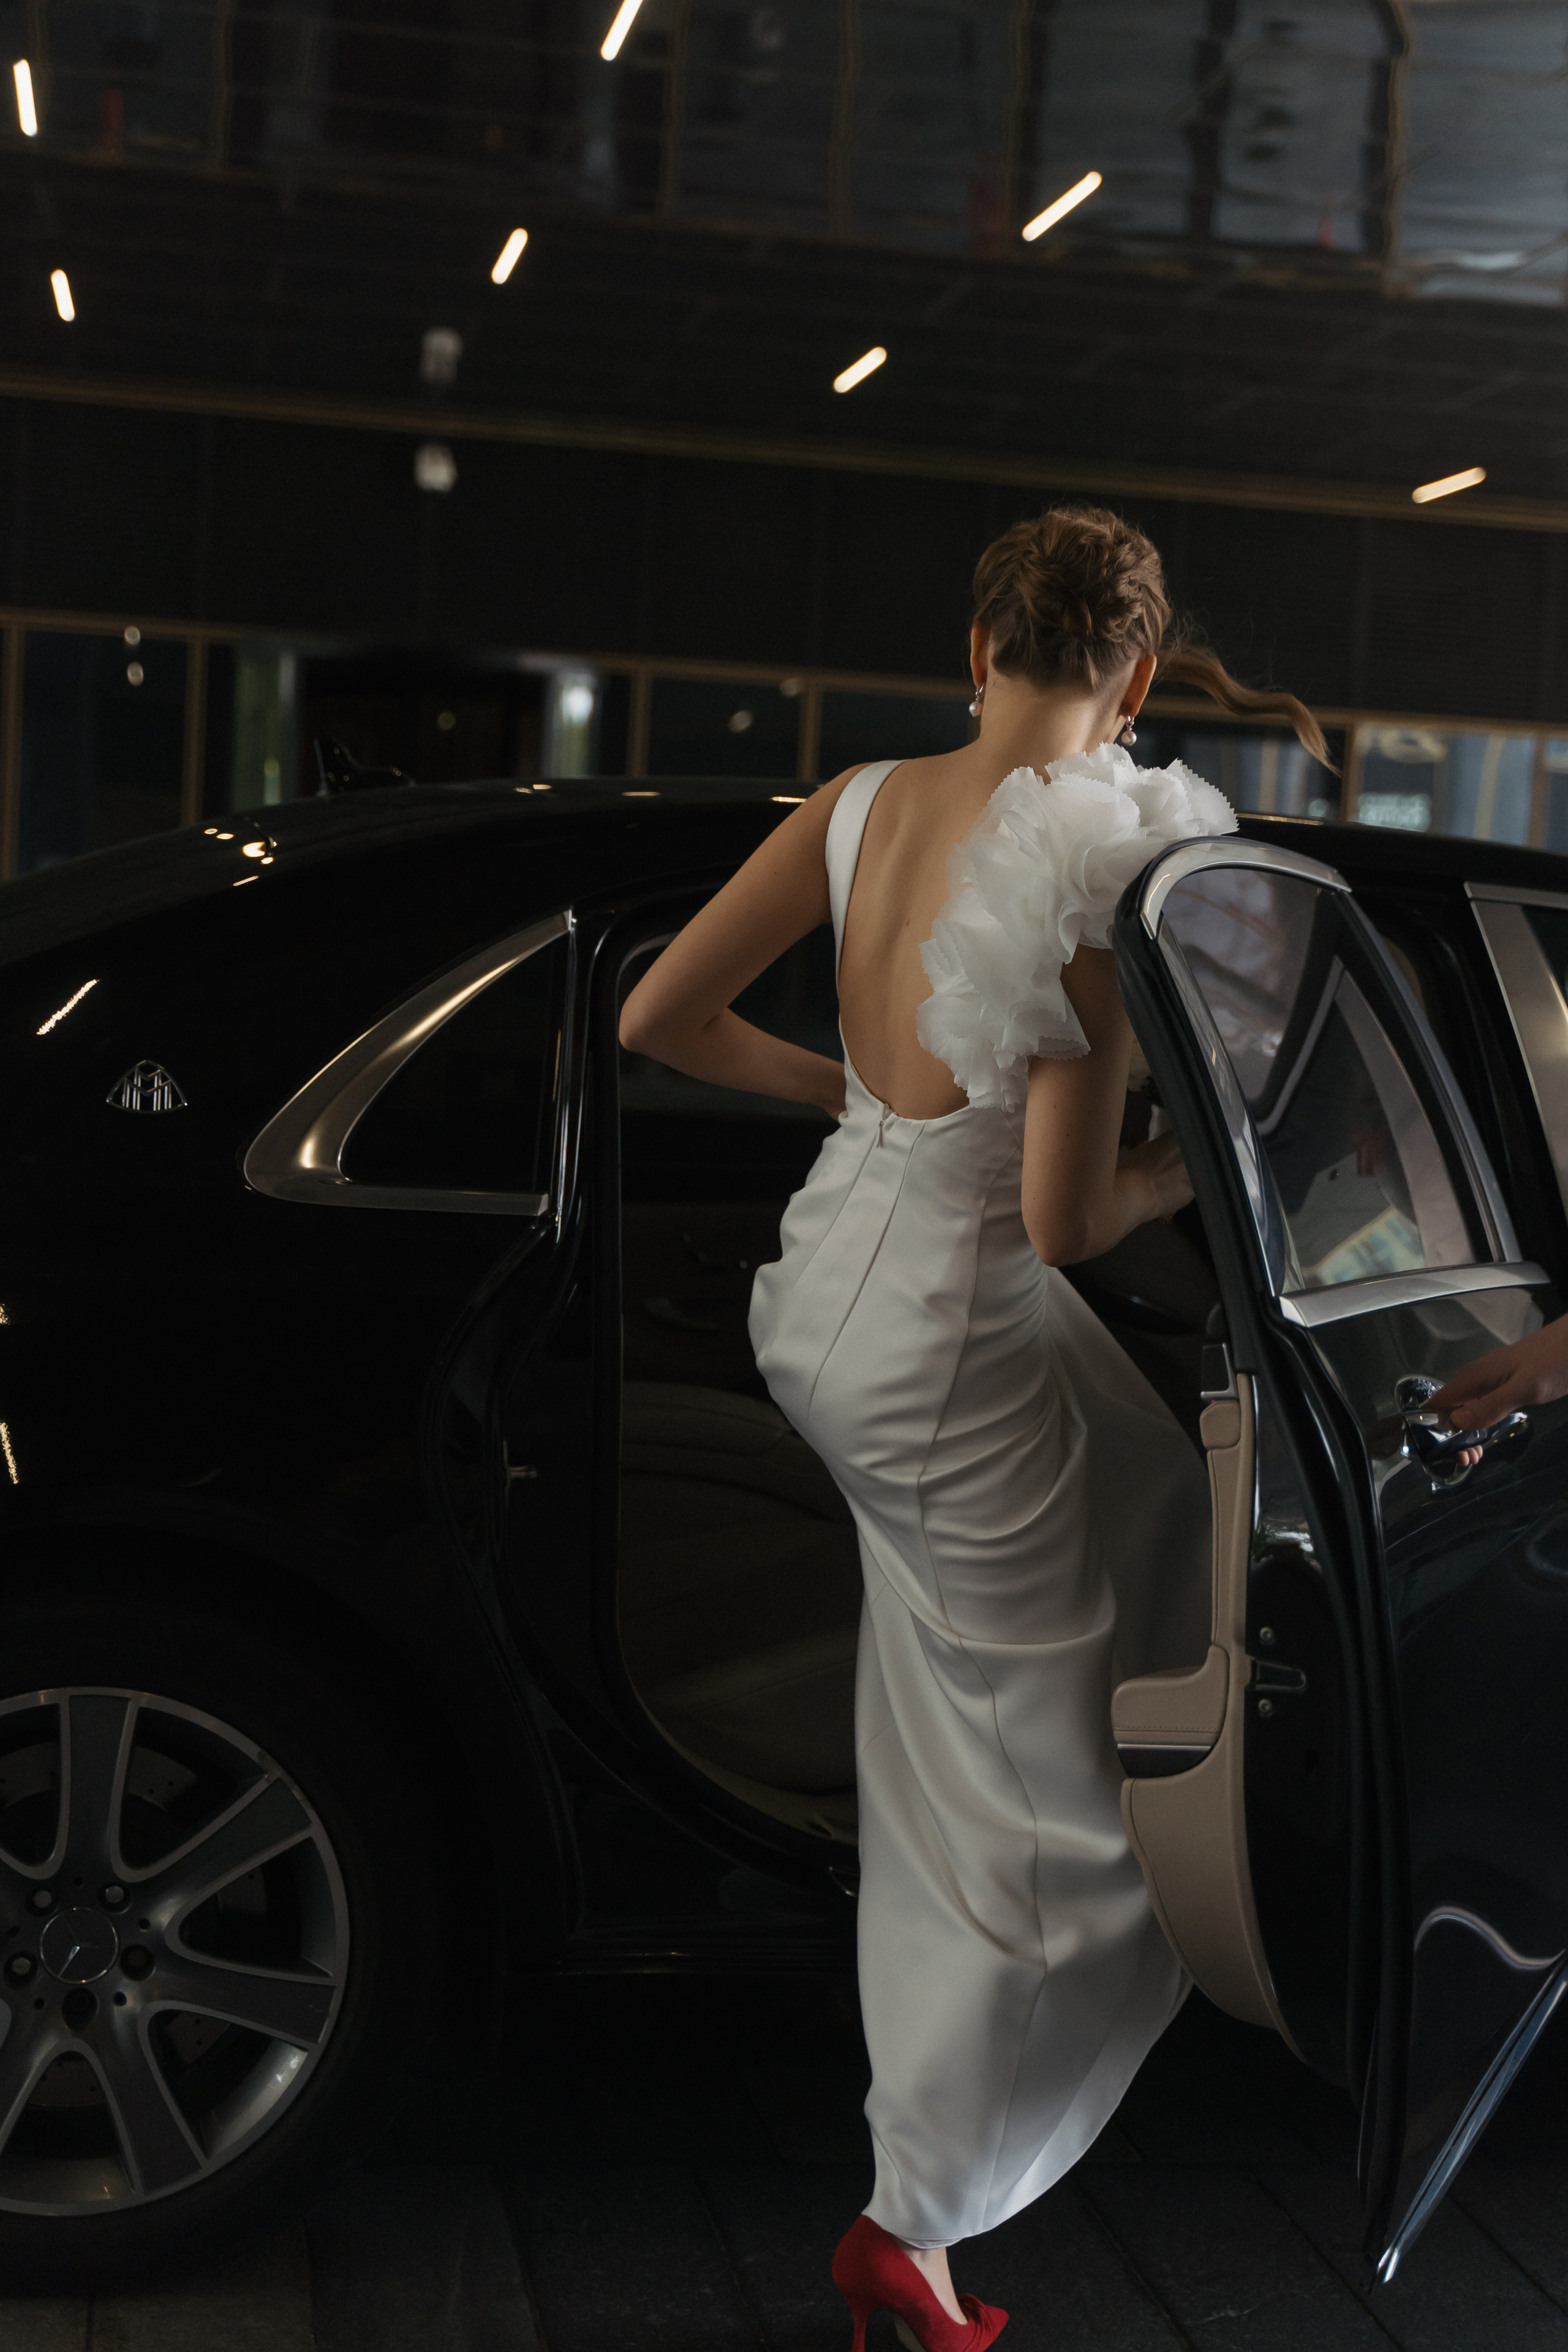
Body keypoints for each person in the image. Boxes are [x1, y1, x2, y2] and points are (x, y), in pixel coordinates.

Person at [619, 504, 1330, 2352]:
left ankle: (914, 2188)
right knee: (1067, 1821)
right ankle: (917, 2218)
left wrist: (859, 1101)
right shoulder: (1096, 867)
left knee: (1138, 1545)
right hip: (951, 1345)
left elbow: (658, 1015)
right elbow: (1072, 1222)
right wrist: (1211, 1174)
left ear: (975, 650)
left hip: (827, 1305)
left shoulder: (859, 799)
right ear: (1142, 679)